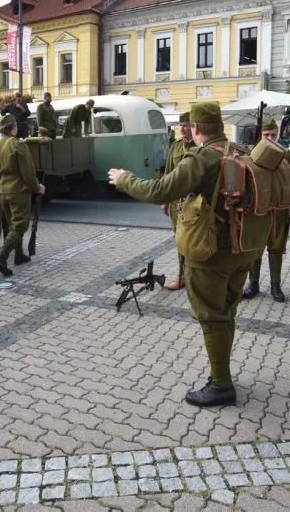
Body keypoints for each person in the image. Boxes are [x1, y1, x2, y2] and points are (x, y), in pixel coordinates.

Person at [109, 102, 255, 407]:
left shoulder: (202, 157)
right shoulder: (240, 149)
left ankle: (222, 386)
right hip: (243, 248)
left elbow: (161, 190)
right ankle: (221, 372)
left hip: (211, 252)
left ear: (198, 128)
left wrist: (124, 180)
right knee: (226, 312)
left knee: (211, 316)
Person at [244, 119, 290, 302]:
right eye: (266, 135)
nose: (270, 138)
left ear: (278, 134)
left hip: (278, 210)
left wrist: (282, 173)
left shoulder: (287, 154)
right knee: (255, 248)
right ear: (260, 136)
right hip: (258, 211)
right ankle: (253, 283)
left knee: (276, 248)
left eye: (273, 135)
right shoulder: (251, 154)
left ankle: (275, 285)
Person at [0, 113, 44, 276]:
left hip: (2, 190)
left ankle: (19, 255)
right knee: (19, 225)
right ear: (13, 127)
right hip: (18, 190)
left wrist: (0, 184)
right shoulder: (18, 145)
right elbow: (28, 172)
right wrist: (37, 188)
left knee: (12, 224)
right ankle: (2, 259)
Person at [161, 112, 195, 291]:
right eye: (181, 125)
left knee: (196, 239)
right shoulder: (175, 147)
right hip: (176, 203)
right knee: (180, 240)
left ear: (194, 126)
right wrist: (165, 200)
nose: (182, 128)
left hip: (195, 203)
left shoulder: (201, 146)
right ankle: (182, 276)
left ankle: (196, 277)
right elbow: (168, 174)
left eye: (187, 125)